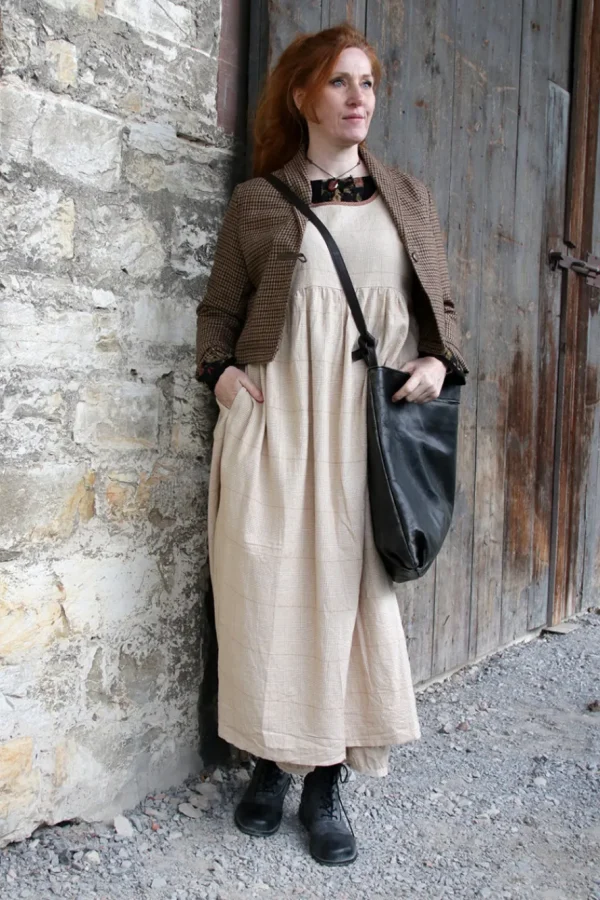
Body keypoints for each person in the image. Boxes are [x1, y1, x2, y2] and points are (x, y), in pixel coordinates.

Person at [195, 23, 468, 866]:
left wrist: (436, 363)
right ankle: (268, 765)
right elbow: (219, 312)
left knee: (351, 602)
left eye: (368, 83)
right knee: (264, 591)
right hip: (277, 423)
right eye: (341, 82)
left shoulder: (408, 198)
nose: (359, 98)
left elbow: (442, 314)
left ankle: (324, 784)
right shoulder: (259, 202)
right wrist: (223, 379)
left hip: (362, 432)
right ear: (303, 97)